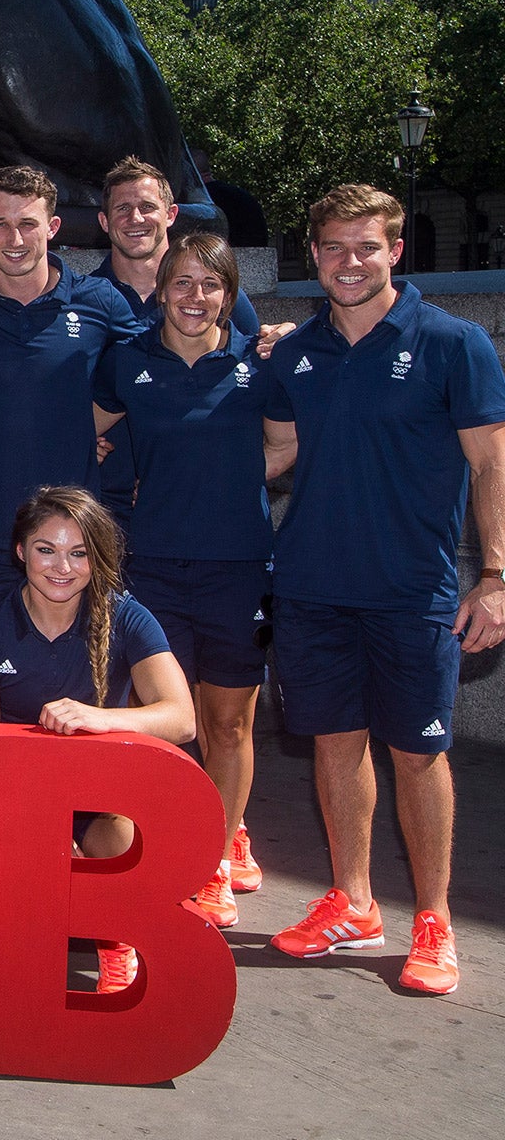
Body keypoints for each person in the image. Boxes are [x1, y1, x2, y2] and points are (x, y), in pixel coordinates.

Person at [260, 185, 505, 995]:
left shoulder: (454, 343)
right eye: (333, 247)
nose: (350, 261)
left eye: (366, 246)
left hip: (413, 593)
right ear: (315, 255)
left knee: (419, 752)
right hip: (311, 588)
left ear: (396, 250)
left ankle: (432, 919)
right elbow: (274, 451)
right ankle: (353, 901)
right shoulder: (295, 356)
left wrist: (496, 575)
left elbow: (491, 461)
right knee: (334, 744)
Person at [92, 234, 277, 927]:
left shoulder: (260, 364)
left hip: (241, 567)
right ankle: (158, 852)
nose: (194, 297)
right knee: (159, 725)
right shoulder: (130, 359)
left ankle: (214, 861)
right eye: (181, 283)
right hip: (156, 569)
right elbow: (93, 424)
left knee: (228, 725)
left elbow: (283, 445)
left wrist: (225, 483)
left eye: (210, 285)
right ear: (161, 288)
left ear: (230, 294)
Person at [0, 486, 194, 994]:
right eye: (46, 549)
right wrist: (34, 825)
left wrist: (103, 719)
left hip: (97, 800)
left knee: (125, 838)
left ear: (96, 558)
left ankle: (116, 937)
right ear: (20, 552)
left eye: (79, 552)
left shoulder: (124, 615)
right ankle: (6, 947)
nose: (61, 566)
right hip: (14, 797)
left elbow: (182, 717)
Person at [0, 166, 141, 629]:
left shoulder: (101, 302)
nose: (14, 238)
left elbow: (154, 366)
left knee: (77, 686)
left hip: (69, 545)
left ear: (52, 227)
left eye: (28, 223)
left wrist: (78, 429)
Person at [89, 158, 265, 525]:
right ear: (104, 221)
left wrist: (279, 338)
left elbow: (251, 375)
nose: (136, 219)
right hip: (103, 503)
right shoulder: (84, 300)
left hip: (186, 506)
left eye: (147, 207)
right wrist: (76, 443)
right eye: (122, 209)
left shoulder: (214, 301)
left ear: (170, 214)